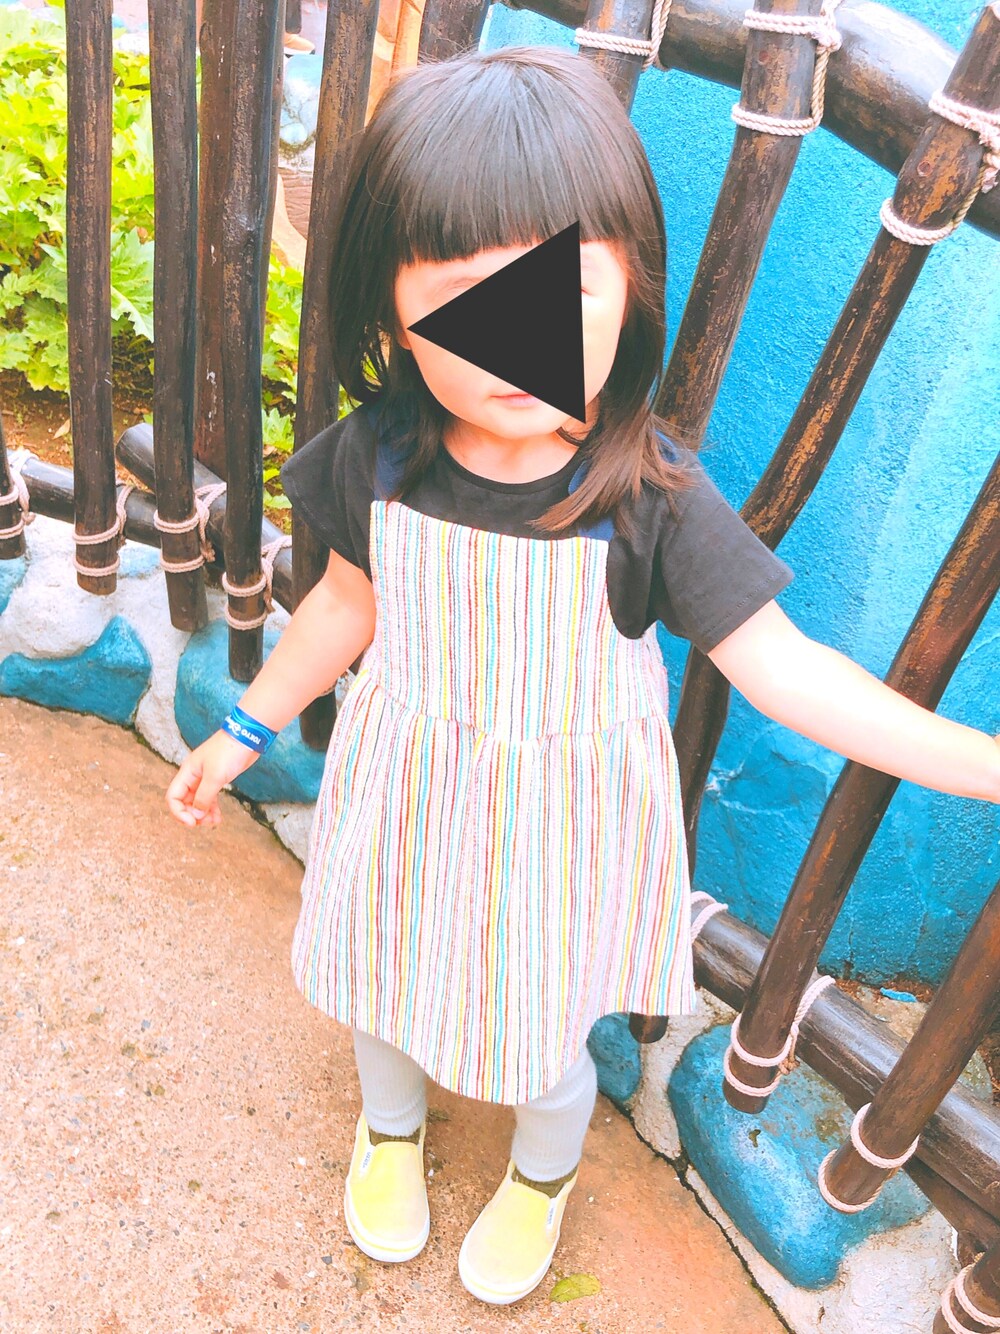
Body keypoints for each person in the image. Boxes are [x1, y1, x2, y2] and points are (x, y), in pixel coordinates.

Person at [165, 46, 1000, 1307]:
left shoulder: (650, 500)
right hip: (405, 794)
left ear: (627, 293)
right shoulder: (375, 457)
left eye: (556, 291)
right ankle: (389, 1126)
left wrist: (982, 768)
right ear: (388, 303)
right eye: (465, 296)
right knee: (382, 981)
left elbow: (786, 673)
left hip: (556, 834)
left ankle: (539, 1173)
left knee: (545, 1036)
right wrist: (243, 724)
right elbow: (342, 602)